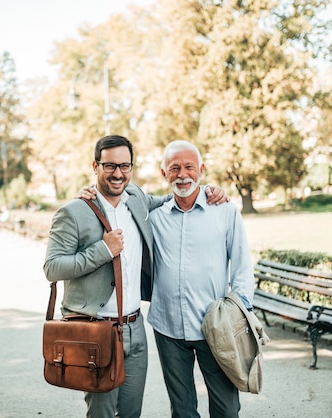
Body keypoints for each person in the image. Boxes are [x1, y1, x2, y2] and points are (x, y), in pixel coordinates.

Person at [43, 135, 227, 418]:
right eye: (110, 166)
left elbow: (175, 196)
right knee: (102, 413)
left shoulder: (137, 198)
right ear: (95, 166)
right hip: (96, 330)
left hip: (135, 327)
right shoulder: (74, 212)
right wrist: (103, 249)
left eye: (124, 166)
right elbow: (52, 267)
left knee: (131, 413)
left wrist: (210, 191)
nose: (118, 174)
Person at [147, 140, 255, 418]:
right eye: (174, 168)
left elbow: (242, 266)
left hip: (216, 328)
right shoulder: (153, 217)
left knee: (226, 409)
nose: (182, 174)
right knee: (182, 411)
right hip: (168, 326)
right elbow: (119, 199)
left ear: (201, 170)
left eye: (189, 167)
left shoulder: (226, 211)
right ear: (164, 174)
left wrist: (237, 313)